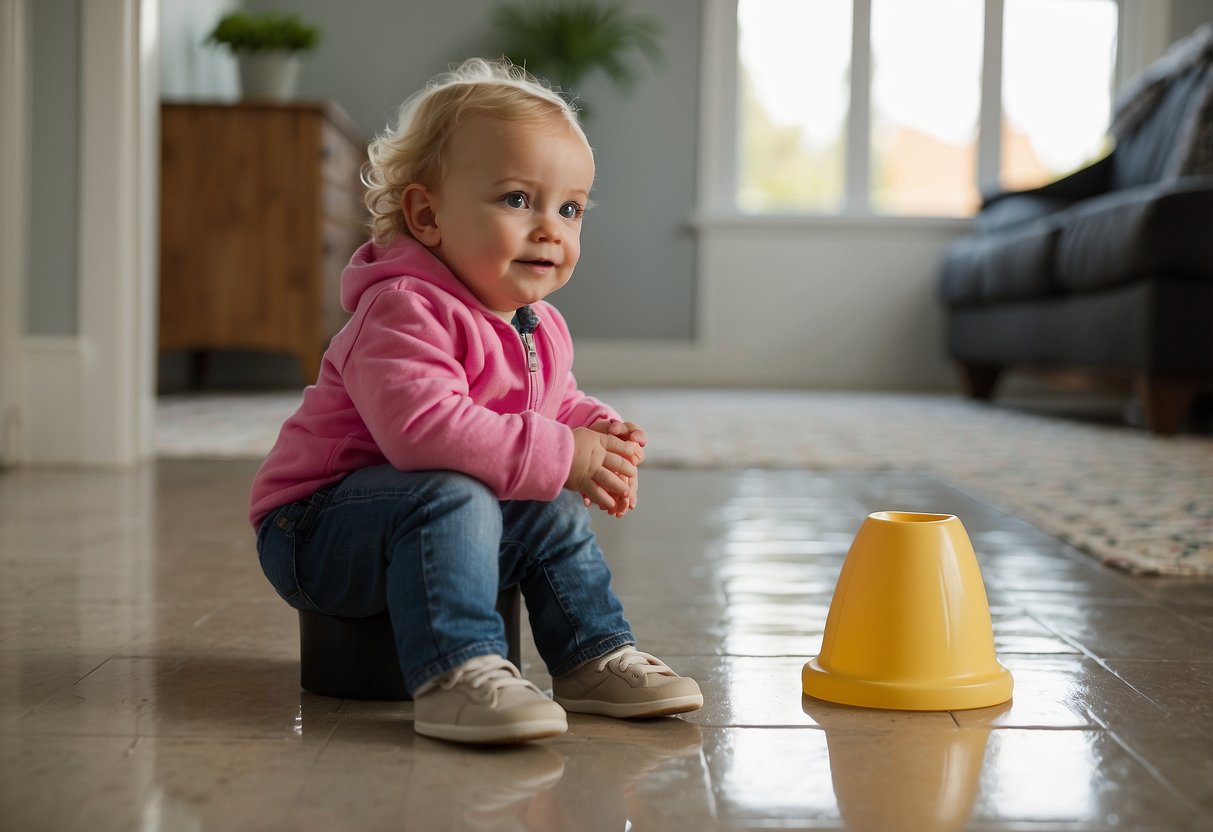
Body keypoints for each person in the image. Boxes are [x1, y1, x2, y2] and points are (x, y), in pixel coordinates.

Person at [248, 57, 702, 745]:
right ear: (427, 215)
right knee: (452, 491)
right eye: (517, 199)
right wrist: (559, 450)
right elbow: (422, 432)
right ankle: (458, 672)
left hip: (420, 516)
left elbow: (552, 402)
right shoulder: (402, 310)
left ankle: (591, 654)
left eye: (569, 207)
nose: (550, 226)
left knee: (545, 502)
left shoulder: (538, 322)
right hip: (315, 532)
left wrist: (593, 432)